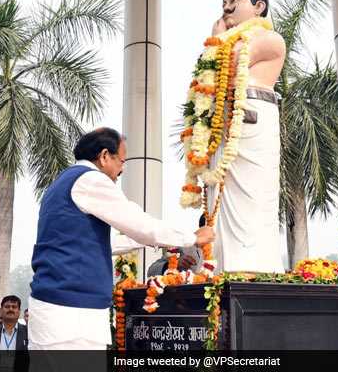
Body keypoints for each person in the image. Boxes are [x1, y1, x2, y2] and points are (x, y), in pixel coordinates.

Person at [28, 128, 215, 350]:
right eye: (122, 161)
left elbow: (98, 245)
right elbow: (139, 224)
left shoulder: (64, 182)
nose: (122, 170)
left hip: (62, 311)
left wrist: (147, 239)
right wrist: (191, 238)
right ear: (105, 156)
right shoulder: (90, 180)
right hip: (70, 313)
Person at [207, 0, 286, 273]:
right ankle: (220, 266)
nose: (227, 7)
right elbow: (209, 79)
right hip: (222, 122)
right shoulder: (226, 41)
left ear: (258, 7)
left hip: (252, 117)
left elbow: (230, 67)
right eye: (224, 2)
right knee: (219, 193)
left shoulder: (268, 39)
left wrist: (217, 39)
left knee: (251, 197)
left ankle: (254, 266)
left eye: (234, 1)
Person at [0, 295, 29, 372]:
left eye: (14, 307)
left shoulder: (28, 334)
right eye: (7, 306)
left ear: (19, 311)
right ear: (1, 310)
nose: (10, 309)